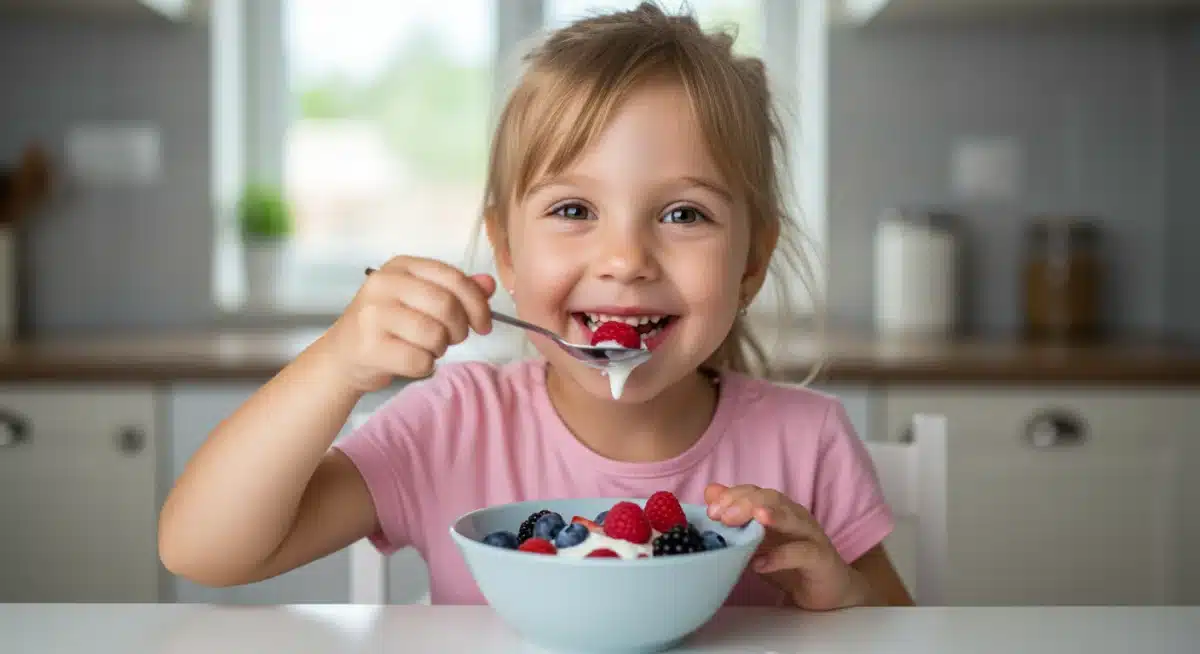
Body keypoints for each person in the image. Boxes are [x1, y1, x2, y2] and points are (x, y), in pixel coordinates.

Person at [158, 2, 914, 609]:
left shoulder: (806, 440)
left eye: (683, 214)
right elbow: (202, 551)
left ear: (751, 264)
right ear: (507, 255)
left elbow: (898, 627)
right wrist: (335, 366)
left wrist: (843, 595)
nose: (624, 260)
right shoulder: (452, 425)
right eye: (574, 210)